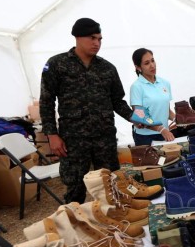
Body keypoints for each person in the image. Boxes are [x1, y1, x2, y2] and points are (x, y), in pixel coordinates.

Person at [40, 18, 135, 203]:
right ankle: (77, 225)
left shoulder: (107, 68)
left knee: (111, 184)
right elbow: (46, 101)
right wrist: (52, 135)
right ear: (77, 37)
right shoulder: (56, 64)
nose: (97, 43)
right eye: (92, 38)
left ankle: (117, 223)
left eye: (100, 39)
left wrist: (137, 117)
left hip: (104, 138)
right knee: (75, 189)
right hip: (73, 141)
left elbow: (118, 102)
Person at [130, 48, 176, 146]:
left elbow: (166, 111)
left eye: (152, 60)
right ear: (138, 67)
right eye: (146, 63)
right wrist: (161, 129)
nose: (152, 65)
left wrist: (177, 119)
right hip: (145, 137)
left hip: (165, 134)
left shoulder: (164, 83)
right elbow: (140, 117)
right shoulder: (136, 87)